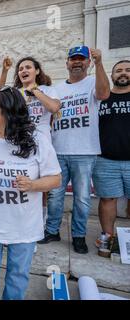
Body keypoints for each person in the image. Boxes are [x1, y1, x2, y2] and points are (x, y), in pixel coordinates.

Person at [0, 86, 61, 300]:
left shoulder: (38, 140)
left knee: (17, 275)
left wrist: (32, 185)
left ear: (9, 111)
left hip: (24, 224)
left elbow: (56, 179)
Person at [39, 46, 111, 254]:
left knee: (82, 198)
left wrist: (99, 63)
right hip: (58, 149)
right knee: (55, 195)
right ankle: (52, 230)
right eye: (73, 59)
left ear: (88, 62)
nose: (77, 62)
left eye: (81, 59)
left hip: (85, 151)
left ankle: (78, 236)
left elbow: (104, 93)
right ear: (67, 63)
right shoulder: (58, 89)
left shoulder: (93, 81)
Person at [92, 60, 130, 254]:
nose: (123, 73)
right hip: (106, 159)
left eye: (128, 70)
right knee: (107, 199)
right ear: (112, 75)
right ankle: (107, 236)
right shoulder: (102, 97)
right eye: (118, 71)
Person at [13, 57, 61, 139]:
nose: (24, 70)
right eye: (20, 69)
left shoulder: (48, 89)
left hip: (42, 140)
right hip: (20, 140)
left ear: (37, 71)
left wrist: (34, 90)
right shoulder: (14, 93)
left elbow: (54, 108)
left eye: (28, 67)